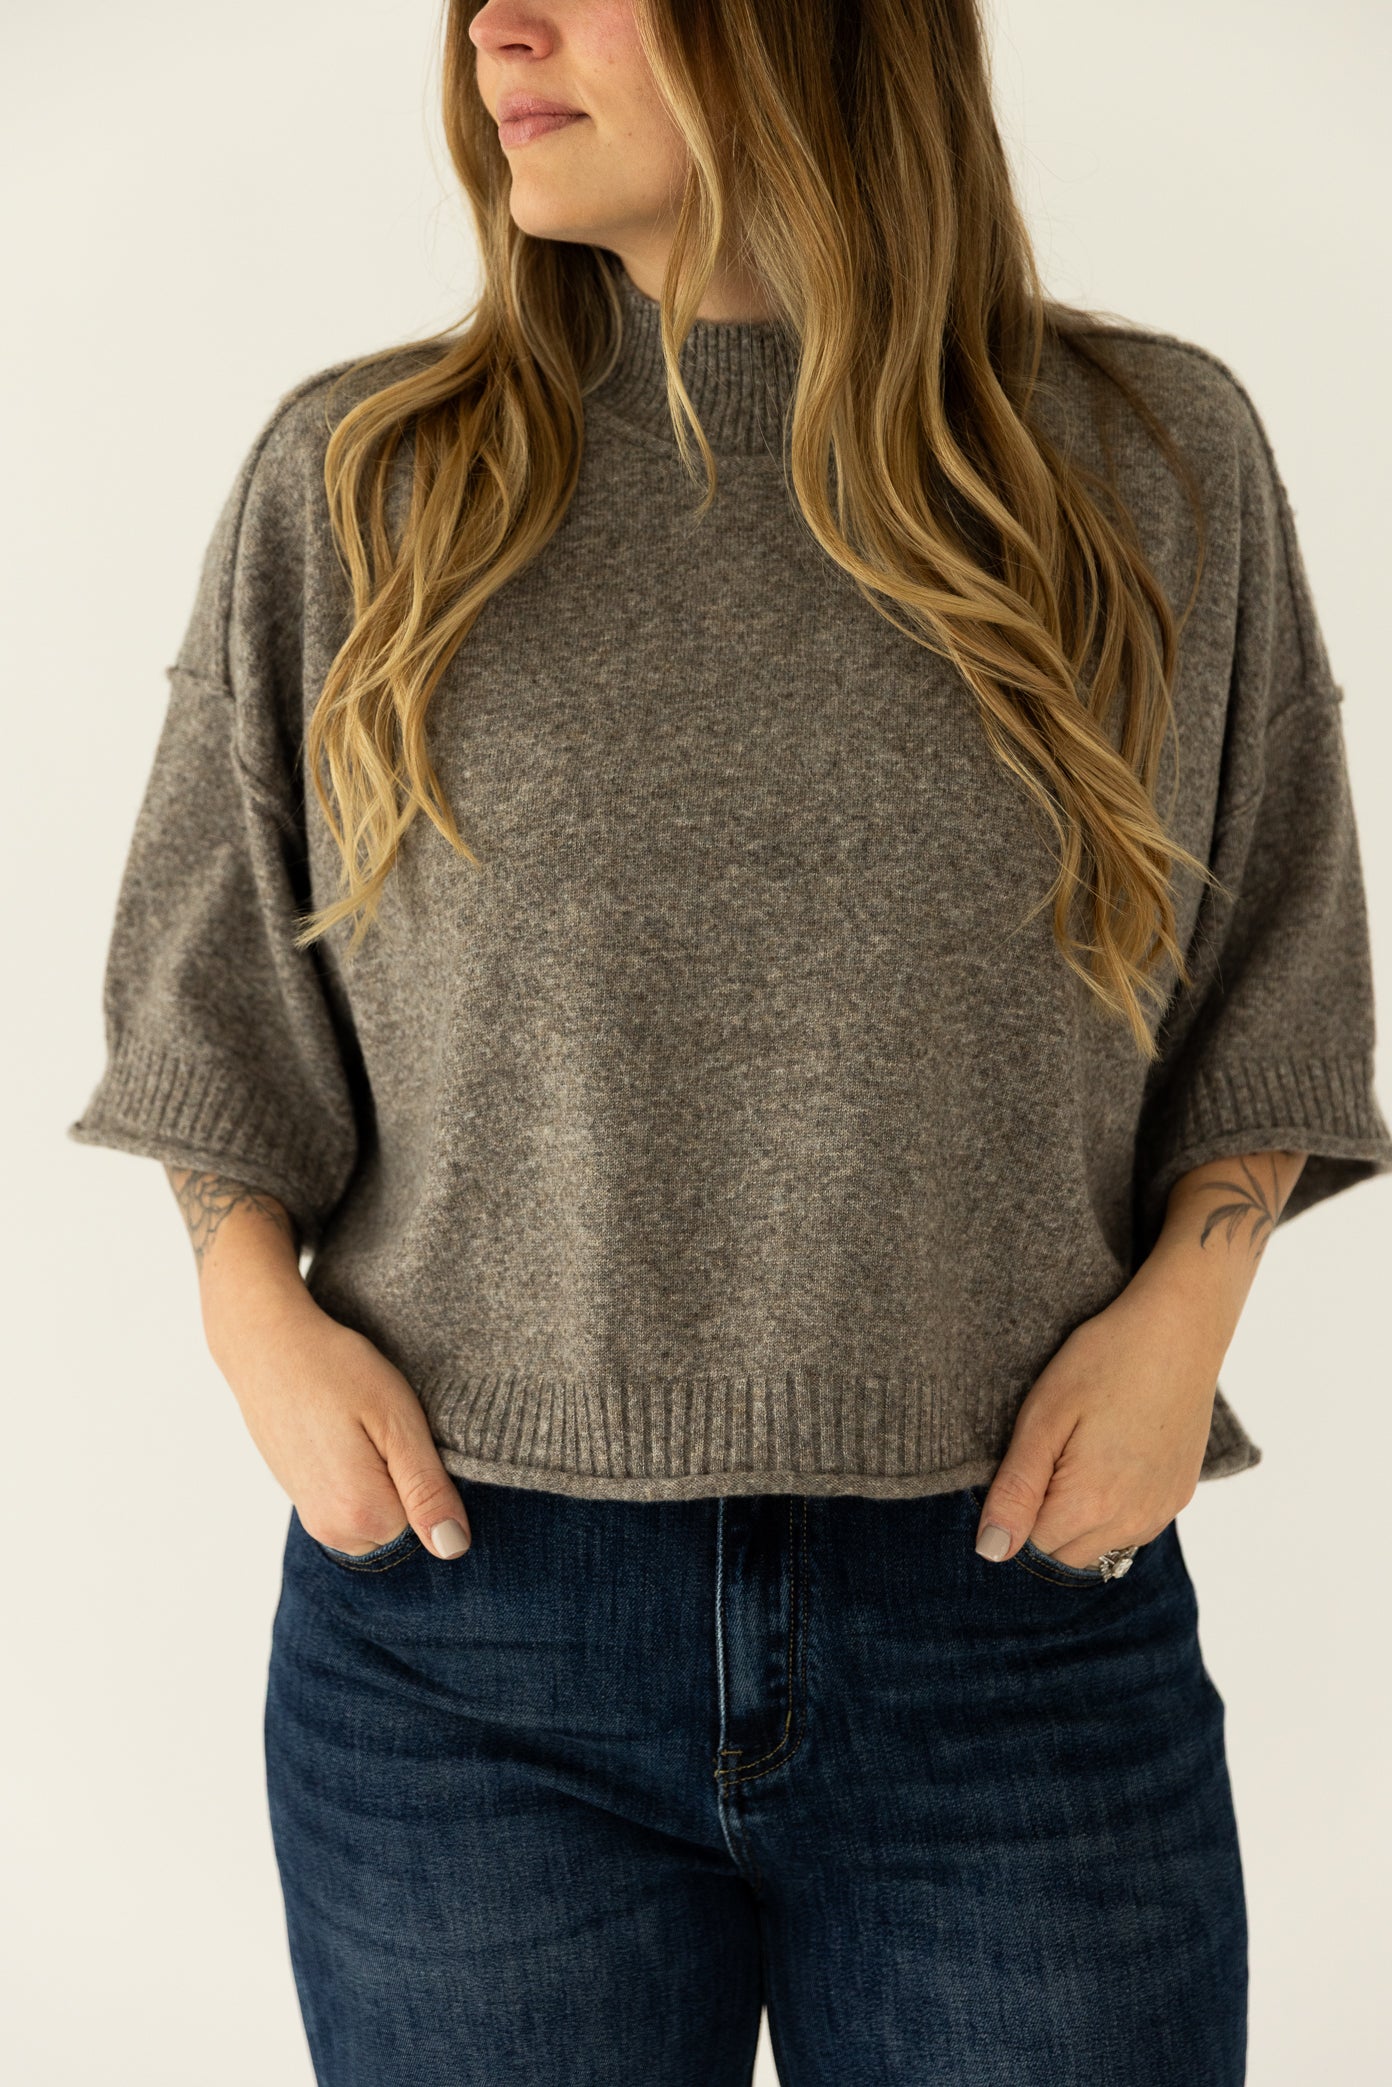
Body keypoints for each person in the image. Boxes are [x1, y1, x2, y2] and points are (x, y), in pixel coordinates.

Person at [65, 3, 1391, 2082]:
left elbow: (1276, 979)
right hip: (468, 1635)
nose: (496, 25)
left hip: (1014, 1621)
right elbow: (207, 1002)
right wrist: (258, 1326)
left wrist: (1184, 1321)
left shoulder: (1148, 461)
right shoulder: (364, 481)